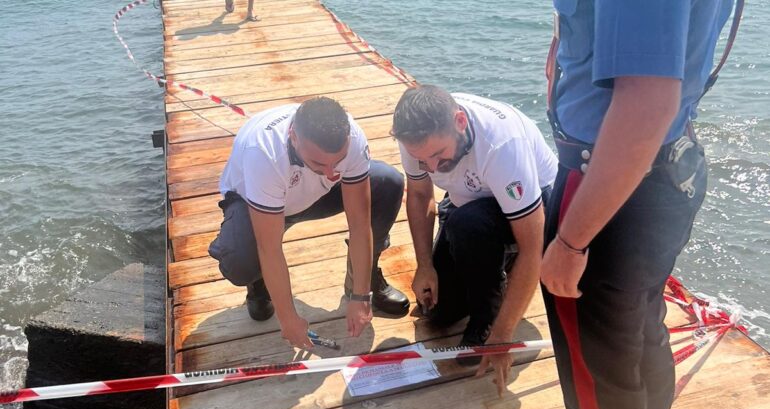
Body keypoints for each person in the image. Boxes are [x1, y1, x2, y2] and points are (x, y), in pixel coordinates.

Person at [539, 1, 735, 409]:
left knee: (599, 376)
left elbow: (647, 101)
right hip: (666, 168)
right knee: (640, 337)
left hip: (608, 180)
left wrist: (570, 243)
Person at [391, 85, 557, 392]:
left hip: (535, 208)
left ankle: (487, 317)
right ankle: (493, 262)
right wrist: (425, 265)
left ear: (460, 123)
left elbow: (534, 247)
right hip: (468, 199)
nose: (431, 167)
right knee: (437, 314)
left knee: (468, 225)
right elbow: (418, 194)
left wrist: (504, 332)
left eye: (439, 155)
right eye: (421, 160)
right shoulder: (416, 141)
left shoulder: (502, 145)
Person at [209, 97, 410, 349]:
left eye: (338, 161)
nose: (332, 173)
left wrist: (361, 295)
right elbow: (269, 249)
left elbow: (360, 225)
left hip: (316, 193)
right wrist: (288, 318)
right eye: (320, 163)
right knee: (240, 262)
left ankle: (363, 275)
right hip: (257, 202)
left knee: (388, 182)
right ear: (293, 137)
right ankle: (259, 283)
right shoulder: (264, 153)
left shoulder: (352, 139)